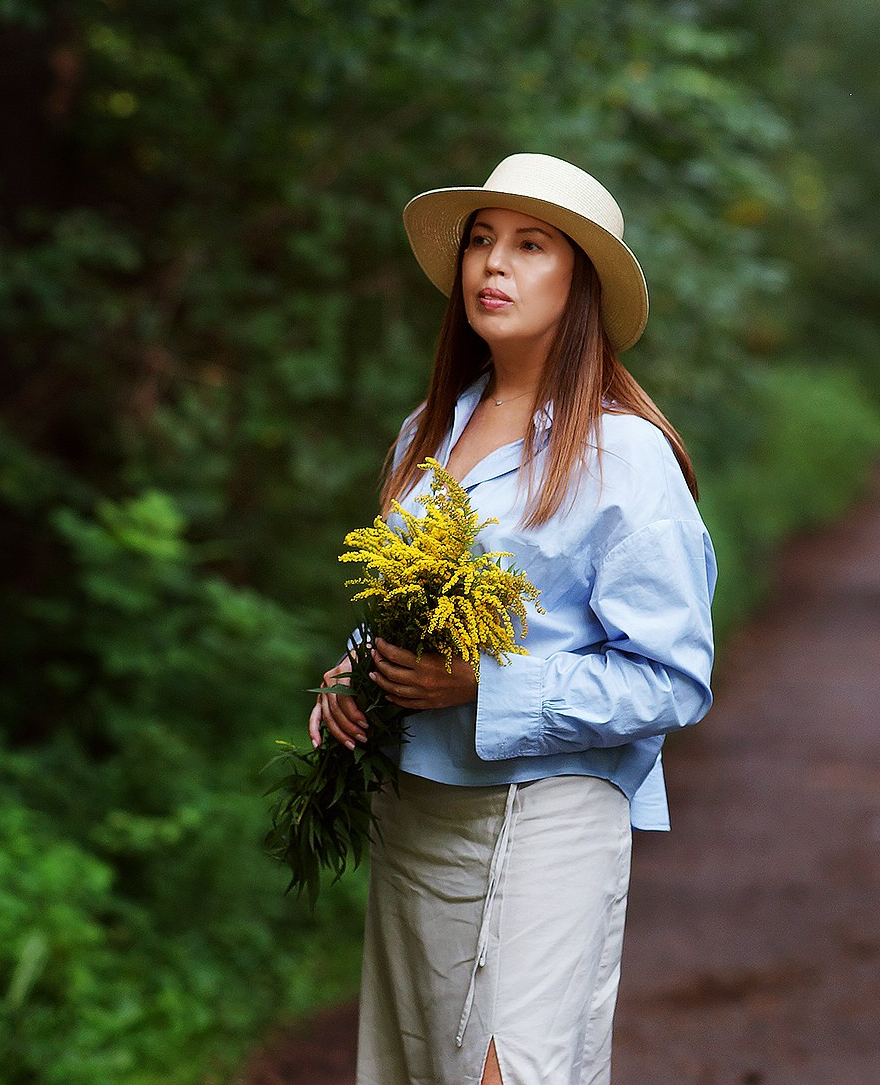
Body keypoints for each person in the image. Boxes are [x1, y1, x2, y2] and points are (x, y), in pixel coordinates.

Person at [306, 152, 718, 1085]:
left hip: (553, 814)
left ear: (581, 285)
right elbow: (409, 608)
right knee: (420, 1070)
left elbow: (673, 679)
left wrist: (484, 685)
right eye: (482, 242)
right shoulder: (427, 434)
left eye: (531, 246)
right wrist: (355, 676)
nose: (494, 264)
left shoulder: (626, 454)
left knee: (511, 1074)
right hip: (417, 813)